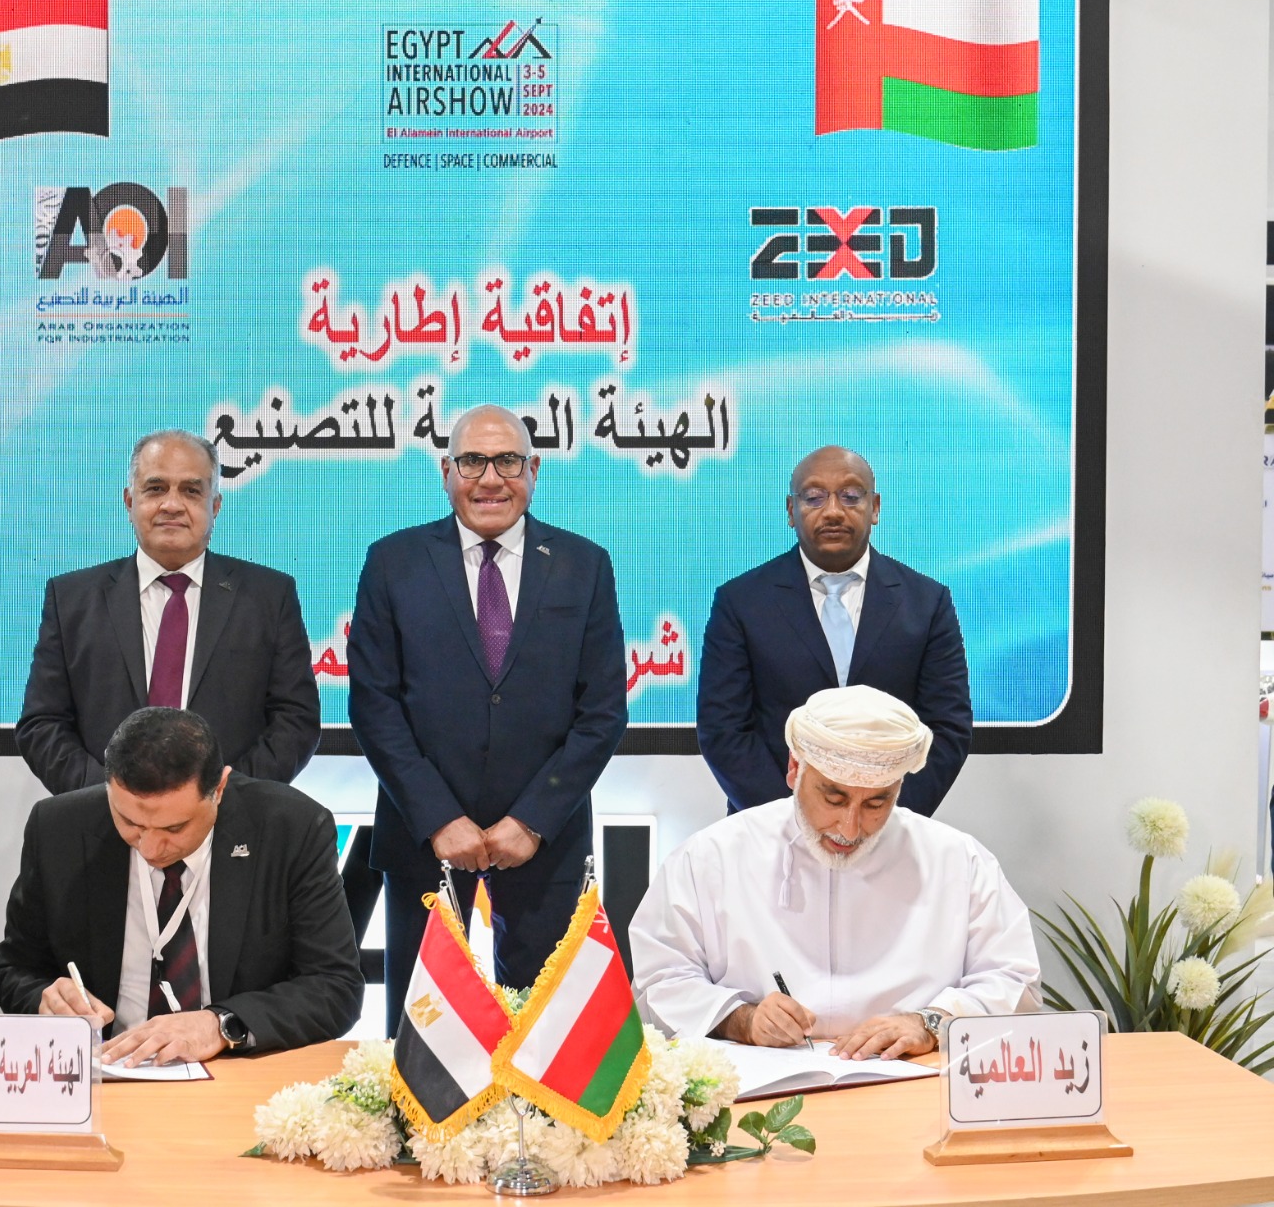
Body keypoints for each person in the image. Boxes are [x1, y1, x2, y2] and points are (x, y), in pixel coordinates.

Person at [348, 405, 628, 1033]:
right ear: (446, 471)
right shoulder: (393, 561)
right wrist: (437, 818)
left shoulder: (583, 564)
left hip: (544, 842)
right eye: (473, 461)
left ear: (534, 470)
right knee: (420, 1036)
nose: (491, 479)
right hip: (424, 838)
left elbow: (603, 710)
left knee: (545, 1039)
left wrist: (532, 820)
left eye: (508, 461)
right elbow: (373, 702)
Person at [631, 685, 1038, 1060]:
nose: (850, 828)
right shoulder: (711, 856)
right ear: (795, 769)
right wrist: (741, 1019)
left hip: (911, 1084)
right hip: (758, 1089)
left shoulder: (957, 859)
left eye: (876, 804)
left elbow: (1014, 980)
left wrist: (931, 1023)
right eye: (834, 798)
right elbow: (660, 980)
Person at [0, 707, 364, 1064]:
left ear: (219, 789)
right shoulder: (58, 828)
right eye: (130, 823)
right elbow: (16, 972)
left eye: (174, 828)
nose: (151, 849)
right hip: (107, 1068)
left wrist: (221, 1024)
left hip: (233, 1070)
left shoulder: (291, 829)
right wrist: (46, 999)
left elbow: (335, 987)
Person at [16, 430, 321, 794]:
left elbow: (295, 721)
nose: (172, 505)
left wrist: (223, 799)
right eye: (156, 488)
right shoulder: (72, 600)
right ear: (130, 501)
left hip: (229, 818)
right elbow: (42, 724)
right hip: (103, 817)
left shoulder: (268, 597)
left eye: (191, 491)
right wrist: (112, 799)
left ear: (215, 506)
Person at [696, 445, 971, 817]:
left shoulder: (927, 602)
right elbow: (723, 730)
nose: (833, 511)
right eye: (813, 497)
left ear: (875, 507)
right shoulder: (741, 602)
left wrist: (877, 817)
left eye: (851, 496)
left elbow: (947, 728)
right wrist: (798, 820)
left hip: (890, 831)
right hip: (771, 830)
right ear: (791, 511)